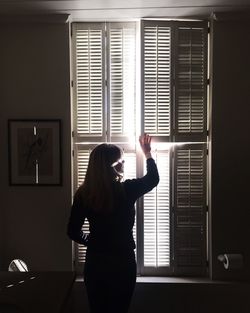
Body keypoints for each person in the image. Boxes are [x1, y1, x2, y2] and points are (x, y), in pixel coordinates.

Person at [67, 133, 159, 313]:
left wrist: (93, 241)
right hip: (122, 263)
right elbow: (153, 179)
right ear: (110, 166)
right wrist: (147, 153)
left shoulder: (84, 194)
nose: (123, 164)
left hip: (96, 263)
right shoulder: (127, 190)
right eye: (120, 161)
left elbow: (72, 231)